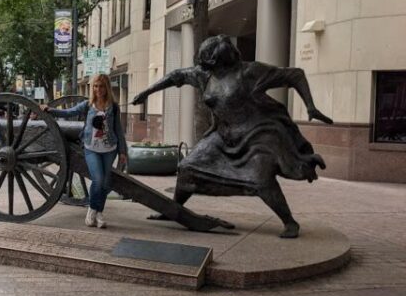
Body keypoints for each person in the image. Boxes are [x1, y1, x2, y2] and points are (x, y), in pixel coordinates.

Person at [131, 34, 332, 238]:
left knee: (260, 180)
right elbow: (176, 76)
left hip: (256, 136)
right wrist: (146, 93)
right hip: (222, 136)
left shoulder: (249, 72)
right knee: (187, 168)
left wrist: (310, 106)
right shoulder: (205, 75)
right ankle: (174, 209)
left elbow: (294, 74)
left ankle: (290, 222)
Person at [41, 74, 128, 228]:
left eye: (101, 86)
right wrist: (50, 110)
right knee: (98, 180)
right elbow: (69, 113)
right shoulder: (88, 105)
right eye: (95, 86)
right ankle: (92, 211)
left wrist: (123, 152)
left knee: (106, 183)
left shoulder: (113, 107)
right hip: (91, 148)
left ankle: (98, 213)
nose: (98, 89)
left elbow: (118, 130)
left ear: (106, 88)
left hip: (110, 150)